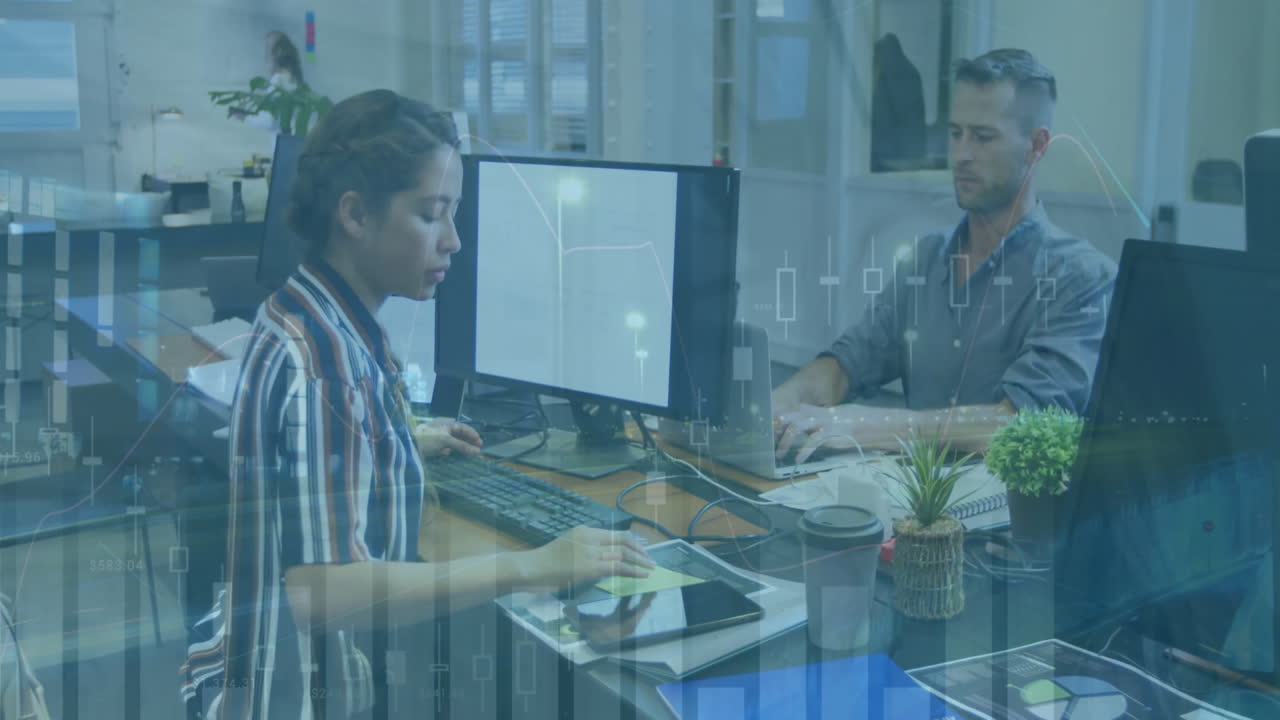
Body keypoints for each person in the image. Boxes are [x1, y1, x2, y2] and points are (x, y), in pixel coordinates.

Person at [180, 89, 655, 719]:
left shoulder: (307, 313)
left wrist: (392, 438)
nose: (453, 241)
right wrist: (529, 566)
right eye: (431, 215)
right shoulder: (327, 367)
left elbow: (311, 451)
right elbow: (324, 591)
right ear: (355, 214)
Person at [774, 49, 1117, 462]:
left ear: (1037, 145)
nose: (961, 155)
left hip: (1004, 517)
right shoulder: (927, 259)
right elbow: (848, 363)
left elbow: (1019, 423)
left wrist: (872, 425)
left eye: (983, 137)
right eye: (955, 133)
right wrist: (783, 403)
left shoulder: (1082, 278)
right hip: (909, 505)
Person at [230, 31, 305, 130]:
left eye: (266, 52)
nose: (264, 59)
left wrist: (244, 117)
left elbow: (269, 123)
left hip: (281, 143)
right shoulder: (294, 79)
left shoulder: (277, 81)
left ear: (275, 56)